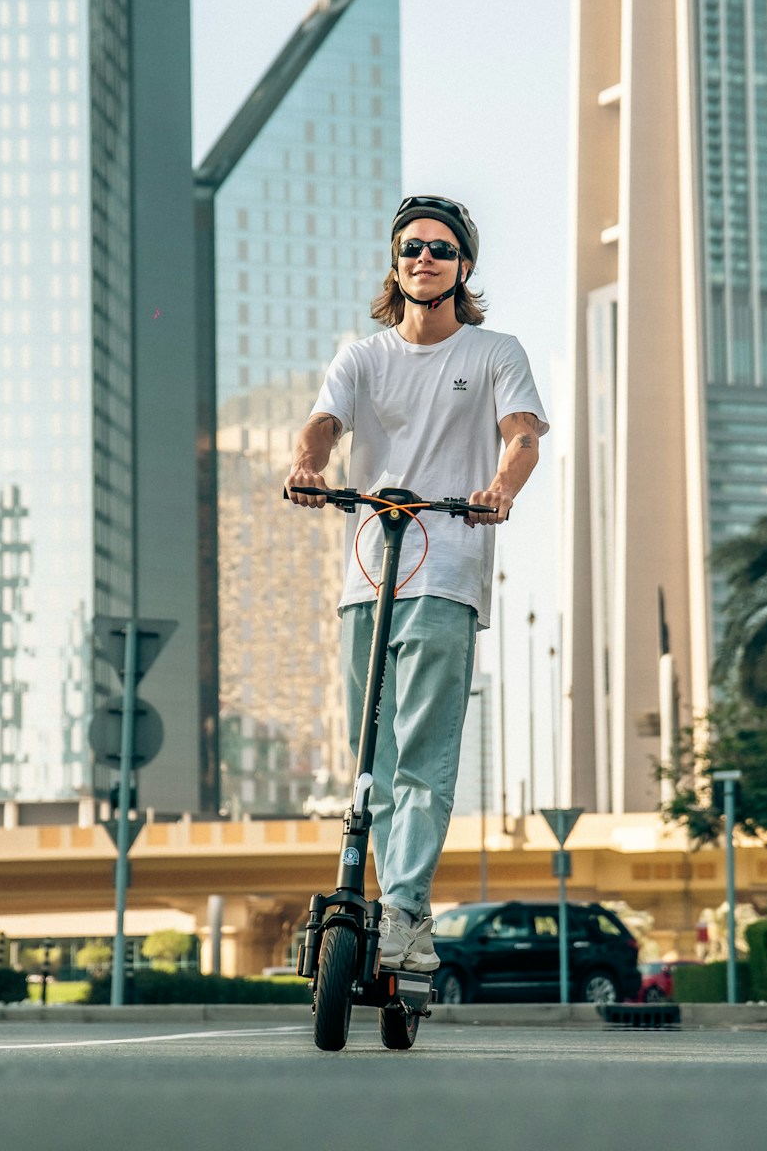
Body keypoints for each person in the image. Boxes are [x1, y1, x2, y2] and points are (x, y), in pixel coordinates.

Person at [286, 194, 548, 973]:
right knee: (370, 754)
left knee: (422, 757)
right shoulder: (362, 357)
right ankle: (376, 895)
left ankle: (402, 910)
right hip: (367, 575)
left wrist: (501, 487)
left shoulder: (495, 352)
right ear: (395, 263)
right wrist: (308, 466)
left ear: (463, 264)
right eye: (410, 248)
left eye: (439, 248)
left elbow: (523, 436)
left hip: (448, 570)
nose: (423, 259)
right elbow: (324, 424)